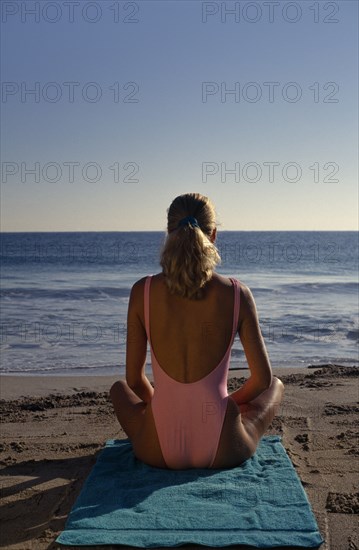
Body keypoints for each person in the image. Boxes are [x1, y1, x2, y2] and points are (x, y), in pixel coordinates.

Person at [110, 193, 284, 469]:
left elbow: (134, 381)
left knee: (119, 389)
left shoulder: (141, 292)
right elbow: (261, 380)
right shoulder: (237, 294)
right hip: (223, 448)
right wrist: (227, 403)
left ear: (168, 232)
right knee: (275, 386)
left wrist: (169, 407)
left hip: (157, 450)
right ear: (213, 234)